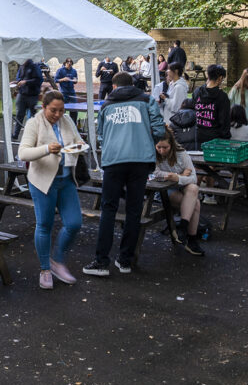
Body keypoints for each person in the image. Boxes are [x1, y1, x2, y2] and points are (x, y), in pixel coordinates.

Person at [83, 72, 165, 277]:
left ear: (114, 85)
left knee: (108, 209)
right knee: (134, 210)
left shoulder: (106, 105)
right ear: (133, 84)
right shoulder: (147, 100)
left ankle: (101, 262)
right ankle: (125, 260)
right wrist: (144, 136)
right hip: (140, 160)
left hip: (113, 160)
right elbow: (160, 130)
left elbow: (100, 133)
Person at [18, 90, 83, 289]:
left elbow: (77, 140)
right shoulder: (34, 123)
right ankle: (45, 268)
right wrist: (46, 149)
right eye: (53, 110)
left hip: (66, 180)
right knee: (44, 224)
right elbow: (23, 153)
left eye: (61, 110)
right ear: (44, 107)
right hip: (42, 181)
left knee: (74, 223)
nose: (57, 114)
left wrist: (80, 145)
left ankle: (57, 261)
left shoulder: (67, 122)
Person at [154, 126, 204, 256]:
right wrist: (179, 175)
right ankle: (191, 239)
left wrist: (178, 178)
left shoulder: (181, 154)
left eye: (165, 147)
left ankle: (183, 227)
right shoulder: (153, 154)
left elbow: (193, 178)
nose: (161, 150)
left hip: (182, 187)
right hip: (164, 190)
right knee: (196, 204)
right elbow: (155, 174)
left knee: (193, 188)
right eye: (159, 147)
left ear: (172, 145)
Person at [11, 58, 42, 140]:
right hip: (22, 94)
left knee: (33, 116)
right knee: (19, 115)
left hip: (32, 95)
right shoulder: (21, 66)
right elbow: (19, 79)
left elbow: (39, 80)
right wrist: (15, 82)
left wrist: (26, 82)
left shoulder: (34, 66)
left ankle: (33, 136)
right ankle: (15, 135)